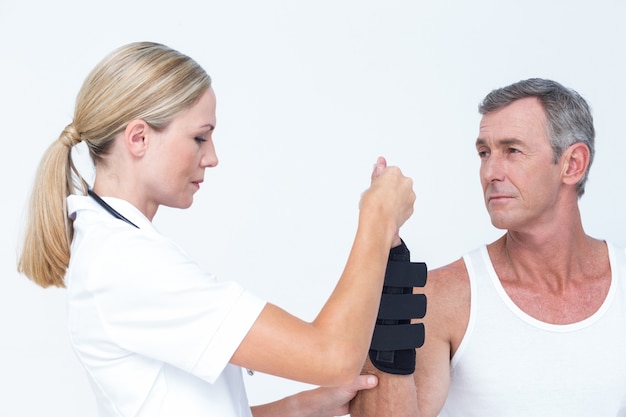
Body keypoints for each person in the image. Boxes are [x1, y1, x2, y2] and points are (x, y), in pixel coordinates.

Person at [16, 41, 416, 417]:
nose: (212, 157)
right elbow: (333, 357)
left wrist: (300, 407)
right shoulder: (127, 263)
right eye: (199, 137)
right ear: (138, 138)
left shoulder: (117, 249)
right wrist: (377, 214)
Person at [350, 78, 626, 416]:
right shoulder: (444, 298)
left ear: (572, 165)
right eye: (484, 153)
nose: (490, 172)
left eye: (512, 150)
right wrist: (387, 256)